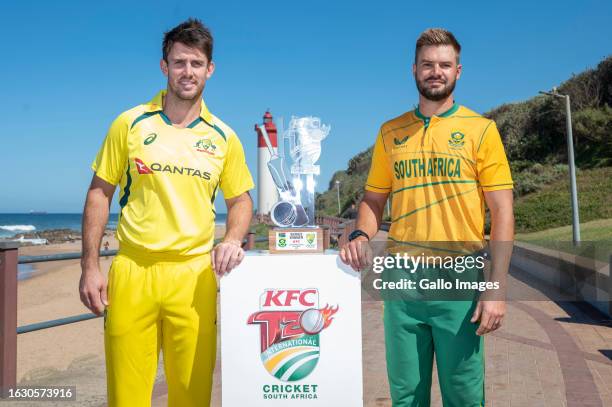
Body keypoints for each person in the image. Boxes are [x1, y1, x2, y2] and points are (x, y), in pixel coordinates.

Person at [79, 18, 254, 407]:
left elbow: (241, 201)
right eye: (178, 63)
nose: (186, 72)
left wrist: (230, 239)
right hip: (133, 272)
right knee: (127, 398)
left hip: (194, 278)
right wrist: (90, 267)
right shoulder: (129, 123)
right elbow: (98, 194)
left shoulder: (224, 137)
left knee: (191, 397)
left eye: (195, 63)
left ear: (210, 69)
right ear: (164, 67)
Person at [340, 28, 514, 406]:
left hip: (459, 277)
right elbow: (373, 199)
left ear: (458, 71)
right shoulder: (390, 132)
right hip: (402, 279)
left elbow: (502, 209)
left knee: (464, 394)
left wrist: (496, 289)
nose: (436, 71)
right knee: (405, 395)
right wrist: (360, 236)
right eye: (428, 64)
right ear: (414, 69)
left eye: (444, 65)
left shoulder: (481, 130)